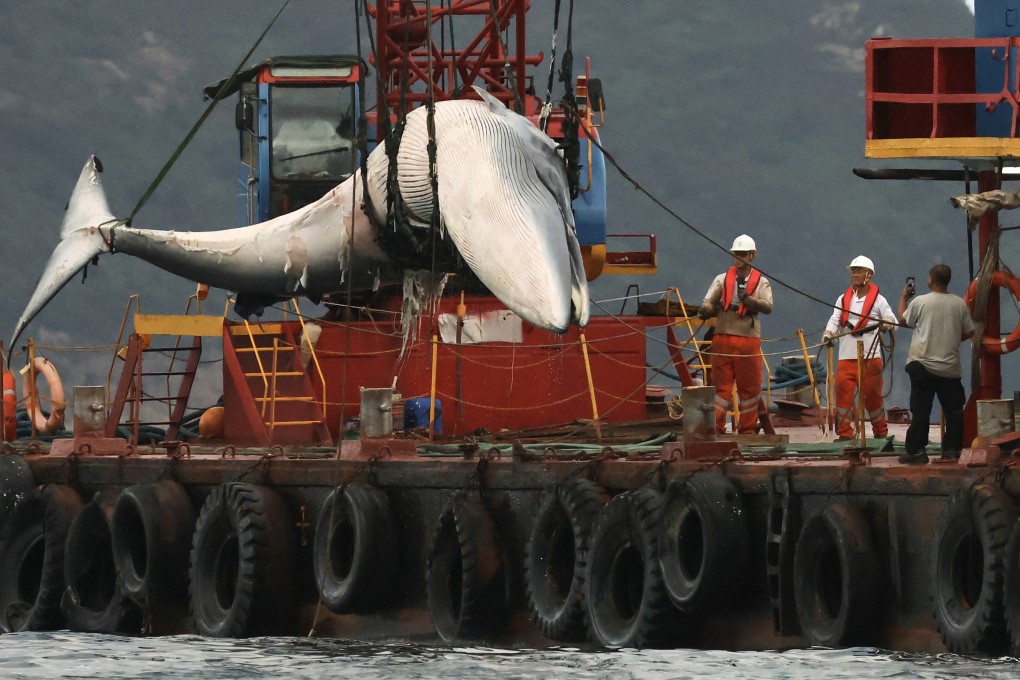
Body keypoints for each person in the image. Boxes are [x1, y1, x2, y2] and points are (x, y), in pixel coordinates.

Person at [896, 263, 975, 464]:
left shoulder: (920, 302)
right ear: (948, 280)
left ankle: (916, 451)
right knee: (954, 412)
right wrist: (951, 337)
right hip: (950, 368)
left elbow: (903, 320)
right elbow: (969, 332)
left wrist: (904, 296)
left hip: (922, 365)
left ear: (930, 280)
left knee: (921, 409)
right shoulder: (959, 304)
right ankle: (951, 450)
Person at [699, 234, 773, 433]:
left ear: (752, 256)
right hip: (723, 337)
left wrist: (750, 301)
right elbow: (708, 301)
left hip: (748, 339)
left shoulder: (762, 283)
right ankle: (715, 426)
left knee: (749, 388)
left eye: (742, 254)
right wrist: (705, 310)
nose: (738, 257)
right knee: (720, 386)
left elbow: (767, 306)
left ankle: (747, 429)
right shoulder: (721, 279)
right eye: (736, 253)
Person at [822, 256, 897, 443]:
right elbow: (835, 318)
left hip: (870, 356)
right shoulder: (842, 298)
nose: (854, 274)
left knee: (872, 396)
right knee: (843, 393)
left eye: (858, 271)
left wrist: (887, 324)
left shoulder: (879, 300)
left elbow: (892, 321)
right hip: (846, 356)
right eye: (853, 271)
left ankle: (881, 432)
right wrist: (829, 332)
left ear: (868, 275)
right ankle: (845, 433)